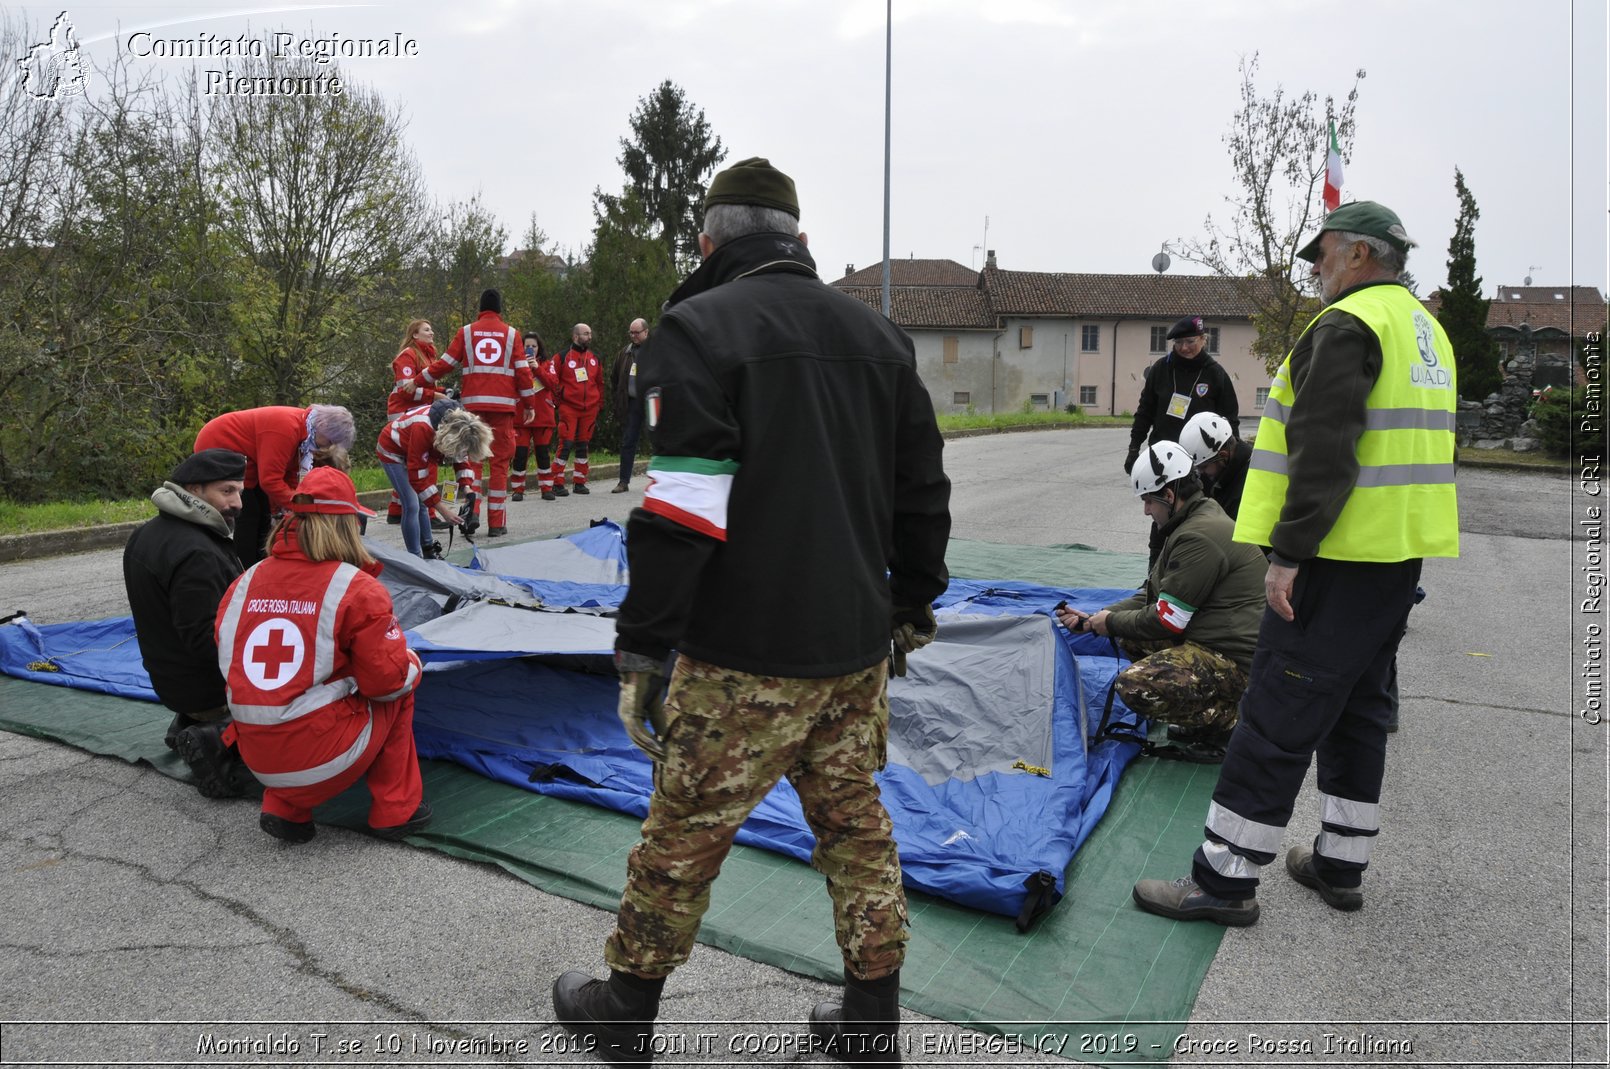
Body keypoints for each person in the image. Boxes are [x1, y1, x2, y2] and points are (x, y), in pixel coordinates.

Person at [551, 157, 952, 1067]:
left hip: (742, 653)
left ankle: (627, 1009)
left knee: (685, 828)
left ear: (708, 242)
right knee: (857, 828)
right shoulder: (879, 337)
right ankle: (872, 1020)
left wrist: (642, 647)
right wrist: (911, 602)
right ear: (801, 241)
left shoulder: (695, 329)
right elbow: (922, 492)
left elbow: (684, 510)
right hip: (853, 646)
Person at [1131, 200, 1458, 926]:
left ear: (1361, 256)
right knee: (1359, 713)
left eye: (1324, 252)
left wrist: (1289, 554)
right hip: (1394, 560)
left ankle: (1222, 879)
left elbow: (1323, 451)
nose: (1313, 266)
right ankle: (1341, 861)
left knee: (1276, 713)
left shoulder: (1346, 325)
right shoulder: (1425, 330)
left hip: (1332, 562)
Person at [214, 467, 432, 845]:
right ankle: (396, 811)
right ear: (348, 525)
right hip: (318, 761)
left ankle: (285, 808)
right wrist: (411, 662)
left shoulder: (245, 581)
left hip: (256, 757)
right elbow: (385, 683)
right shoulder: (357, 588)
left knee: (298, 691)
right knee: (400, 687)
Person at [1056, 442, 1265, 761]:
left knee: (1135, 685)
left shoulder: (1198, 537)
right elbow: (1150, 594)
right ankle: (1214, 712)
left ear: (1169, 496)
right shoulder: (1194, 521)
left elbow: (1168, 619)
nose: (1146, 511)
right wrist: (1099, 617)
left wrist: (1107, 624)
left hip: (1238, 662)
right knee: (1130, 635)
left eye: (1148, 501)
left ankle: (1230, 721)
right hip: (1227, 645)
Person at [122, 448, 256, 798]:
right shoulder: (198, 551)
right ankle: (217, 735)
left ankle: (192, 717)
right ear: (194, 490)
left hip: (170, 679)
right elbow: (206, 640)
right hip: (204, 685)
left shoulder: (147, 533)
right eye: (227, 491)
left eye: (239, 491)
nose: (238, 502)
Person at [415, 290, 537, 537]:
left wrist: (418, 380)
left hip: (472, 410)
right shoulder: (512, 334)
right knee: (500, 465)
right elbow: (523, 373)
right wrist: (530, 404)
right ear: (500, 309)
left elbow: (445, 364)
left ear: (480, 308)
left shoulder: (467, 332)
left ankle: (471, 512)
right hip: (503, 410)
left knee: (473, 463)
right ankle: (497, 523)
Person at [193, 403, 356, 568]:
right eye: (329, 441)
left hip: (249, 457)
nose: (327, 447)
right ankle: (245, 568)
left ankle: (261, 563)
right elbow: (270, 480)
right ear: (323, 427)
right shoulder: (287, 430)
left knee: (264, 513)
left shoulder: (306, 434)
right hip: (219, 443)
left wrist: (290, 503)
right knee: (249, 513)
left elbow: (289, 473)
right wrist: (299, 504)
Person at [375, 398, 489, 558]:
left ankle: (428, 550)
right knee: (412, 504)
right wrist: (444, 511)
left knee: (422, 503)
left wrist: (467, 487)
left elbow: (460, 456)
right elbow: (417, 477)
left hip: (413, 449)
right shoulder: (423, 428)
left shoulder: (462, 425)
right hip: (392, 451)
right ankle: (415, 558)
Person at [1125, 316, 1240, 471]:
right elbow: (1145, 412)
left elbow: (1230, 419)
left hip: (1202, 460)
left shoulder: (1215, 374)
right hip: (1163, 455)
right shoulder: (1160, 369)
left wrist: (1233, 456)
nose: (1184, 348)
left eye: (1190, 341)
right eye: (1178, 342)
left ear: (1203, 340)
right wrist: (1134, 449)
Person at [385, 320, 441, 525]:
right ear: (415, 335)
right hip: (403, 413)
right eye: (427, 329)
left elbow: (425, 388)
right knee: (425, 460)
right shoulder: (408, 355)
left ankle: (396, 510)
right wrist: (437, 397)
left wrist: (443, 393)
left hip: (414, 411)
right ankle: (430, 514)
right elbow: (405, 391)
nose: (432, 332)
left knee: (406, 464)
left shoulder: (426, 354)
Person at [549, 323, 604, 496]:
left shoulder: (594, 358)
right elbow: (552, 381)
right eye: (586, 334)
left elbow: (600, 383)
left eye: (590, 333)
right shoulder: (561, 357)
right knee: (565, 444)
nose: (589, 336)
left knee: (583, 445)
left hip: (589, 409)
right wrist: (559, 402)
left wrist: (598, 404)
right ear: (575, 337)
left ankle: (579, 481)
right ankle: (556, 482)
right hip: (569, 408)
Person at [1178, 411, 1252, 520]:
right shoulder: (1231, 475)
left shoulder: (1244, 490)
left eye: (1203, 467)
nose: (1200, 472)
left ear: (1223, 456)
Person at [511, 332, 559, 502]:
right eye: (527, 346)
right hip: (521, 415)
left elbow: (553, 384)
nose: (530, 349)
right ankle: (517, 489)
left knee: (543, 453)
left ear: (539, 348)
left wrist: (537, 369)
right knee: (520, 453)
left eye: (533, 346)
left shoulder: (547, 363)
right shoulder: (515, 364)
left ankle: (546, 488)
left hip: (543, 415)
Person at [610, 319, 649, 493]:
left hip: (651, 403)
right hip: (631, 404)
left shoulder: (656, 351)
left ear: (646, 332)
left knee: (660, 442)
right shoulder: (624, 353)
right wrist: (618, 399)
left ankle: (664, 483)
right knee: (628, 442)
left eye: (637, 332)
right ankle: (623, 482)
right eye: (631, 333)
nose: (633, 336)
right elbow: (614, 378)